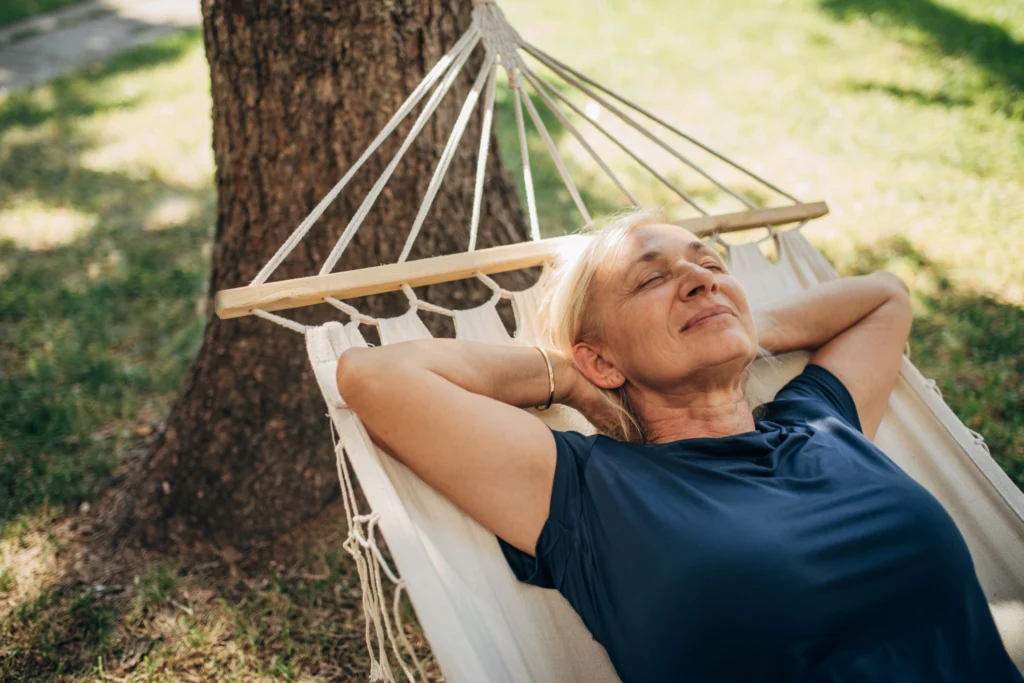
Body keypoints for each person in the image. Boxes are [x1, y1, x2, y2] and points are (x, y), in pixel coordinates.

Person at [336, 210, 1022, 682]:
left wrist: (740, 321)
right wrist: (570, 379)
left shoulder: (818, 418)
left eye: (710, 263)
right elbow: (377, 377)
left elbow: (884, 297)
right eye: (654, 278)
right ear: (603, 359)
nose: (700, 278)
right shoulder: (588, 494)